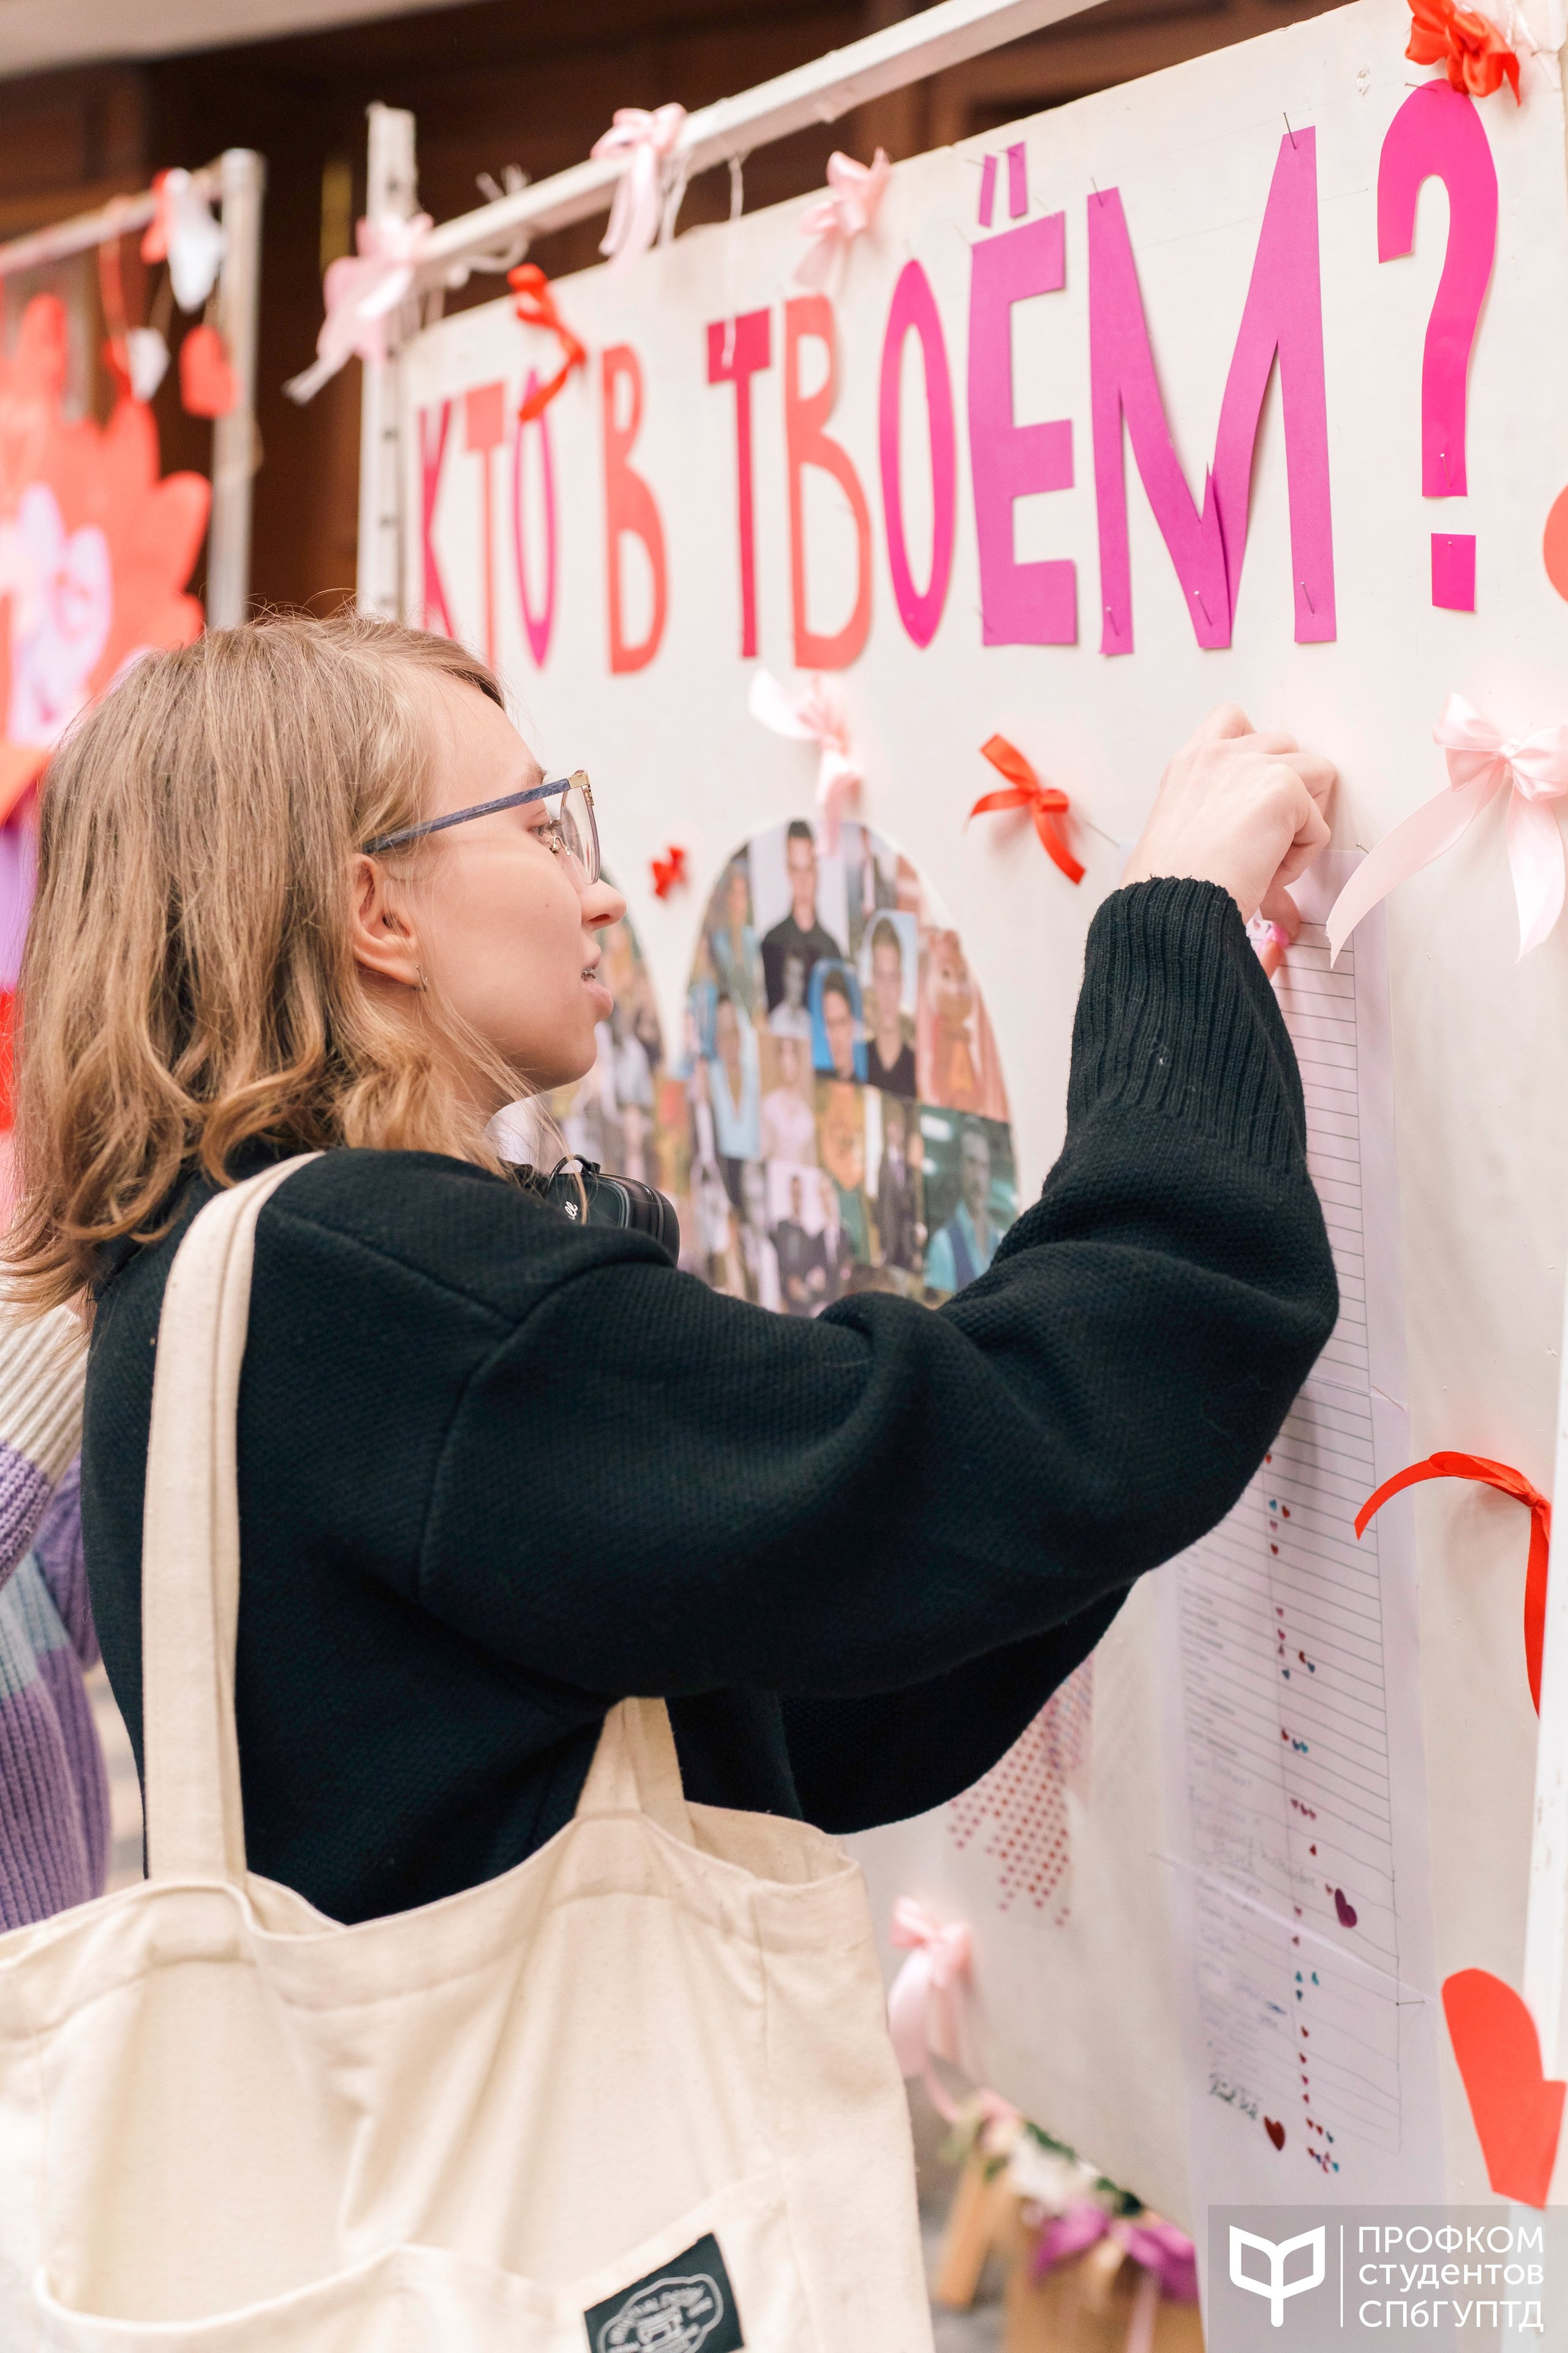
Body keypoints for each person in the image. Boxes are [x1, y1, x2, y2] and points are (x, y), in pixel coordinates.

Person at [7, 616, 1334, 1949]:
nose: (596, 892)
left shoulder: (202, 1281)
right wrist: (1175, 927)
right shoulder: (372, 1284)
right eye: (538, 825)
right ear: (376, 909)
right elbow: (982, 1455)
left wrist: (1020, 1530)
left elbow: (771, 1690)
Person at [761, 819, 843, 1010]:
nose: (803, 881)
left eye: (808, 869)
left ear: (816, 871)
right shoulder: (772, 943)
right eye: (796, 870)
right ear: (788, 871)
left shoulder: (832, 949)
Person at [926, 1121, 1003, 1296]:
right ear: (958, 1167)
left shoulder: (1000, 1241)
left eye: (984, 1166)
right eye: (971, 1163)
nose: (979, 1178)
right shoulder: (943, 1245)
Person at [706, 992, 760, 1201]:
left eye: (734, 1032)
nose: (730, 1041)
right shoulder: (710, 1079)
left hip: (756, 1182)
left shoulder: (756, 1080)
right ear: (717, 1039)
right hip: (724, 1180)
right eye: (724, 1033)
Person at [863, 918, 916, 1097]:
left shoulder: (917, 1067)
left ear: (902, 983)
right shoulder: (859, 1060)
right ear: (872, 979)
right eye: (880, 977)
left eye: (893, 978)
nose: (887, 992)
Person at [876, 1094, 924, 1276]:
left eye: (899, 1128)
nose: (896, 1132)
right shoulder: (883, 1163)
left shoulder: (909, 1165)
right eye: (893, 1128)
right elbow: (881, 1205)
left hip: (907, 1242)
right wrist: (881, 1244)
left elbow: (914, 1201)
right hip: (890, 1241)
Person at [709, 861, 763, 1019]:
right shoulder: (717, 944)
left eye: (742, 895)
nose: (737, 903)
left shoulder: (754, 941)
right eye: (733, 894)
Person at [771, 1171, 828, 1316]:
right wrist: (785, 1287)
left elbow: (817, 1267)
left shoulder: (811, 1233)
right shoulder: (780, 1229)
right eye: (793, 1193)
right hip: (784, 1301)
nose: (796, 1199)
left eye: (799, 1194)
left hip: (806, 1302)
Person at [760, 1033, 816, 1166]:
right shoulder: (768, 1104)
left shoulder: (807, 1114)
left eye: (791, 1054)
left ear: (798, 1059)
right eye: (783, 1054)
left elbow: (811, 1162)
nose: (787, 1061)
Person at [812, 962, 865, 1083]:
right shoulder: (817, 1085)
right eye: (831, 1024)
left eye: (842, 1023)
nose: (836, 1036)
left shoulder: (868, 1087)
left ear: (853, 1024)